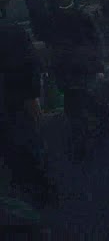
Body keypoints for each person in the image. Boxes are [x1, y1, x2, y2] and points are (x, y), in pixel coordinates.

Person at [44, 0, 109, 160]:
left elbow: (96, 42)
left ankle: (94, 128)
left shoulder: (82, 16)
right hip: (66, 69)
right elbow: (51, 45)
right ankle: (81, 141)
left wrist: (98, 65)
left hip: (82, 68)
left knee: (85, 100)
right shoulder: (52, 18)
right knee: (73, 106)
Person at [0, 13, 56, 209]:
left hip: (13, 104)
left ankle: (38, 191)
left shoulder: (10, 32)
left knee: (23, 147)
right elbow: (29, 66)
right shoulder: (11, 30)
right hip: (15, 103)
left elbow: (27, 67)